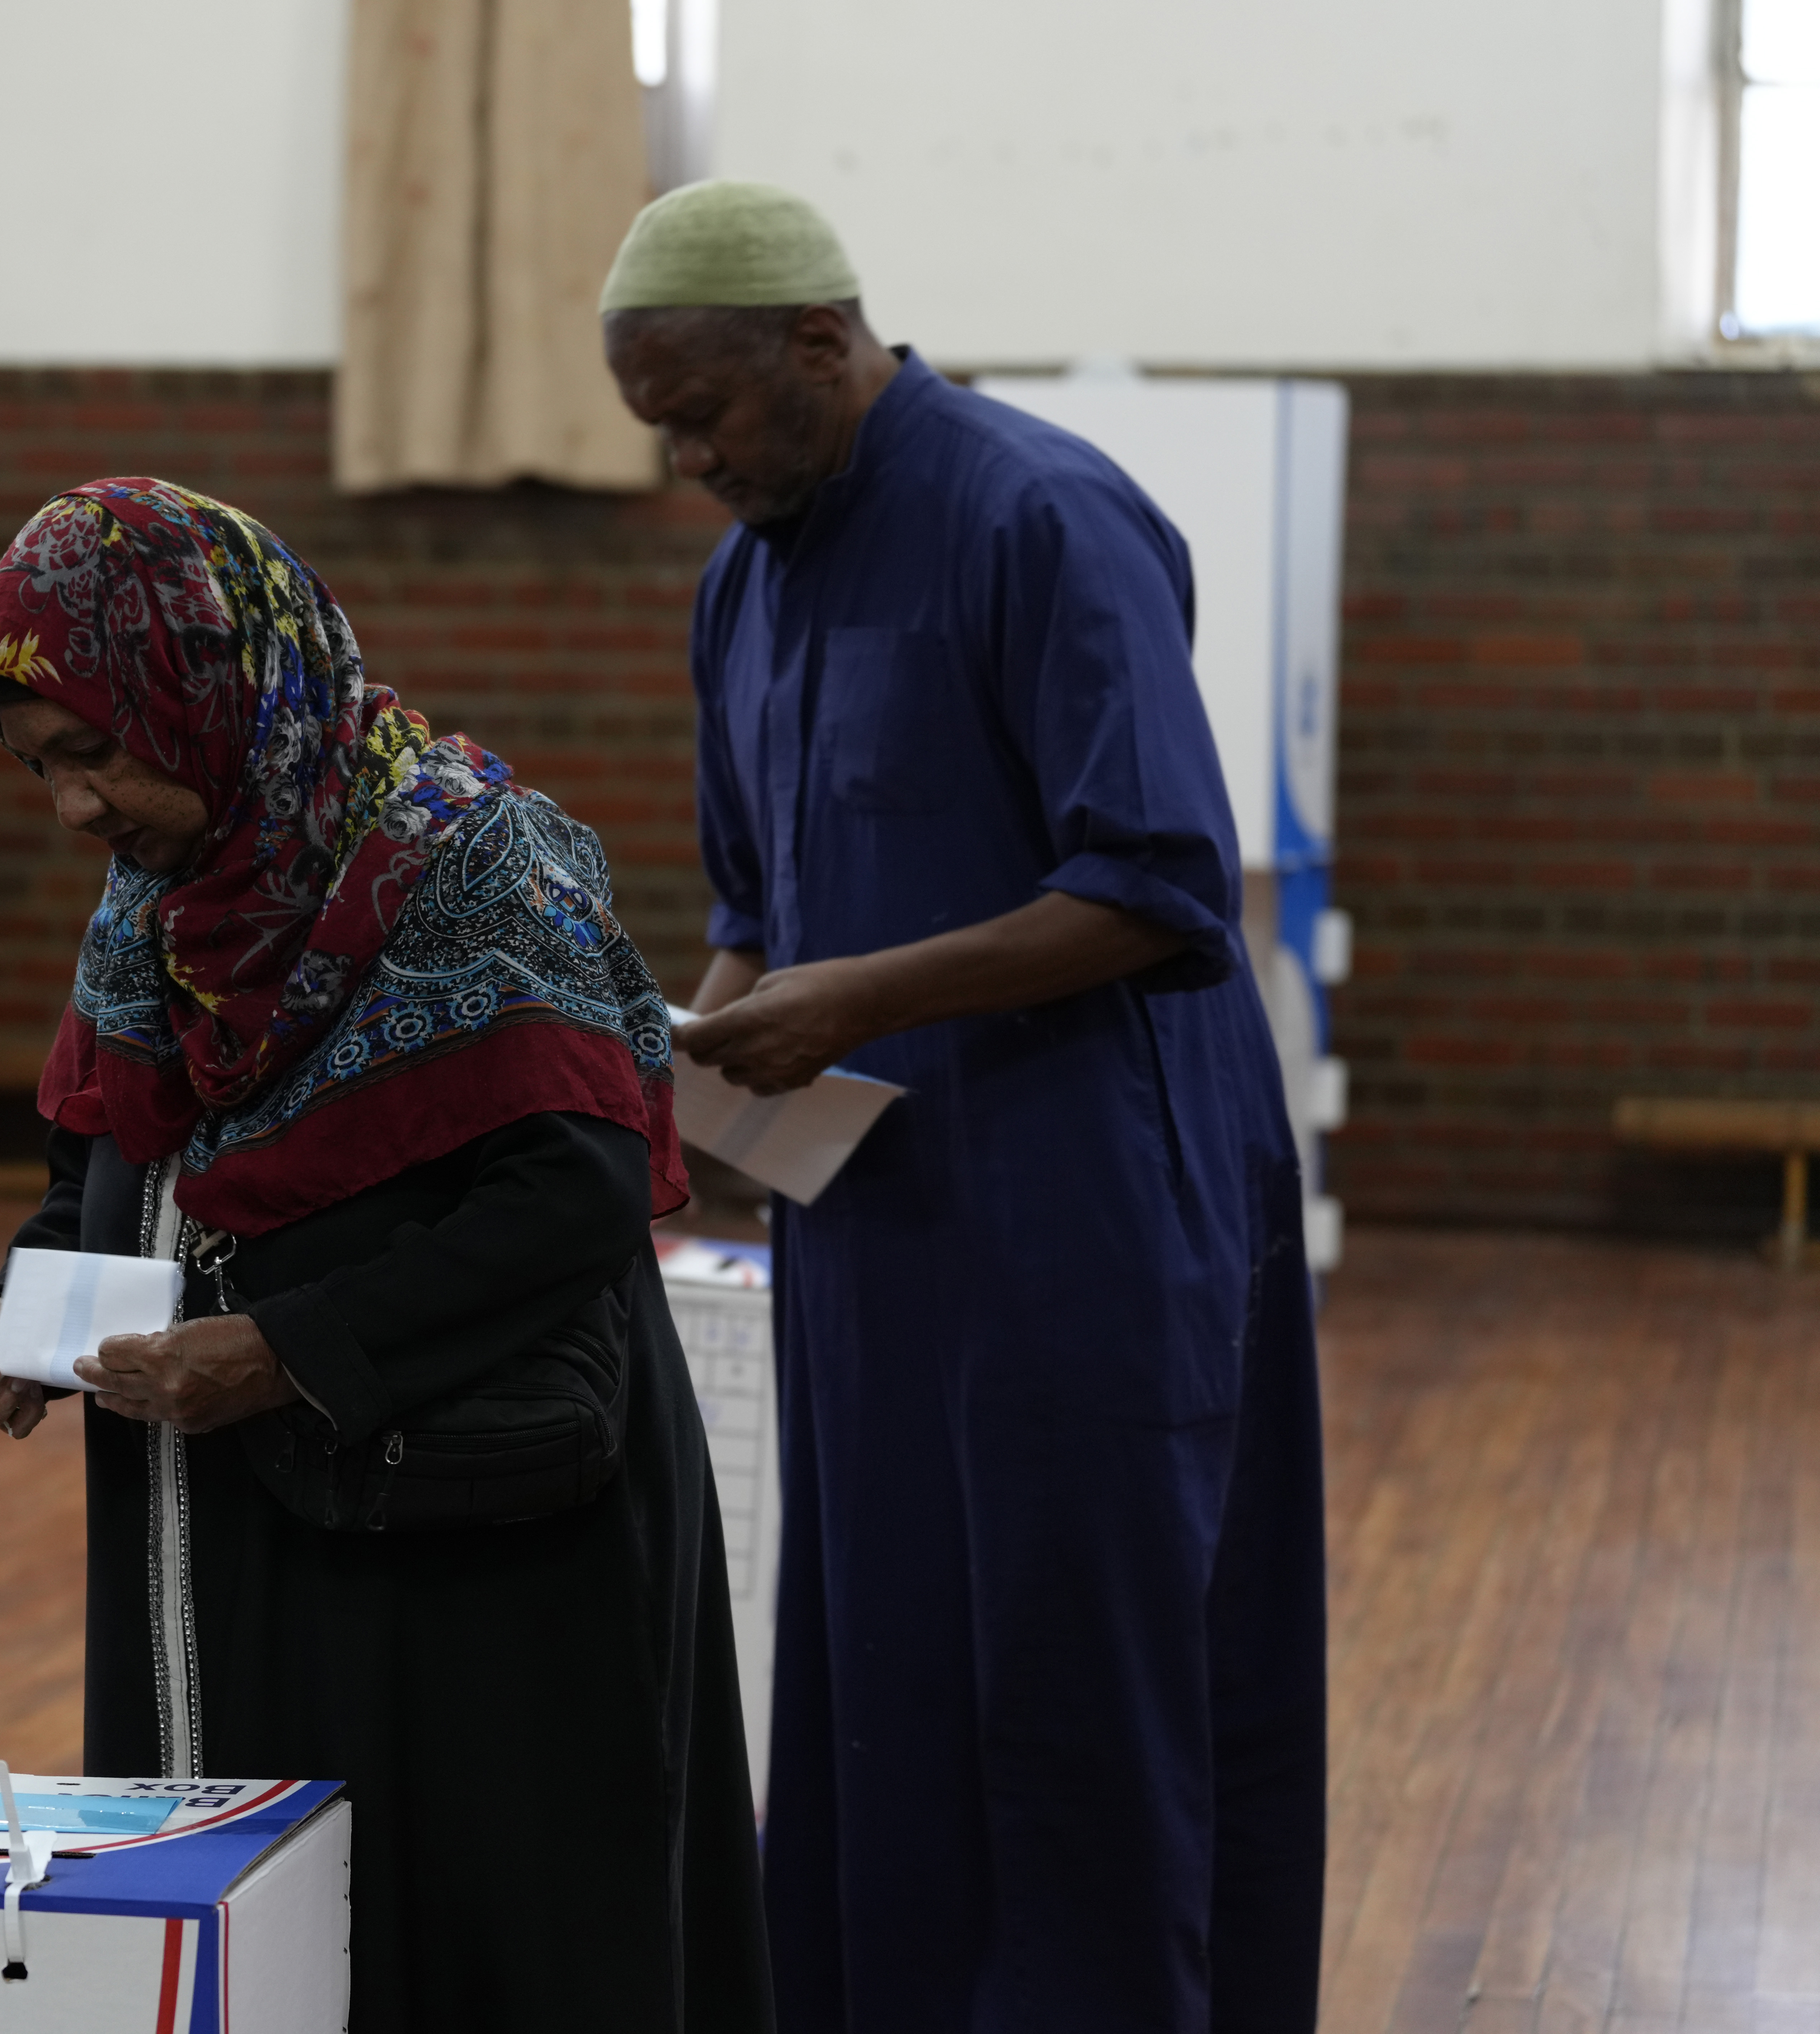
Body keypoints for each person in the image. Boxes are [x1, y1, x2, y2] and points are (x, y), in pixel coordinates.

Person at [0, 478, 774, 2033]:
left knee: (466, 1920)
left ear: (211, 690)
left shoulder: (475, 866)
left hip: (464, 1536)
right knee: (258, 1933)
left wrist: (288, 1351)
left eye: (94, 753)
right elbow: (107, 1168)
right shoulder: (158, 903)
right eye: (40, 768)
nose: (74, 809)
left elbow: (575, 1193)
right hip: (220, 1527)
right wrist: (12, 1319)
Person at [593, 181, 1327, 2031]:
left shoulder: (1037, 515)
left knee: (1082, 1695)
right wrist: (689, 1067)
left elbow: (1156, 885)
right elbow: (753, 911)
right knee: (886, 1674)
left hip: (1090, 1210)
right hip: (871, 1224)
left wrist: (858, 996)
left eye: (704, 415)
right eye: (657, 429)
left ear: (820, 343)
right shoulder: (740, 584)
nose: (688, 462)